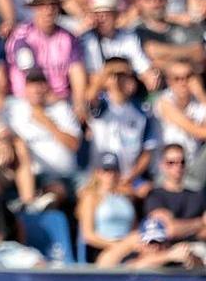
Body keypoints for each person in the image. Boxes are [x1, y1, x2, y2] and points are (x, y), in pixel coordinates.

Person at [5, 0, 88, 120]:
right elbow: (30, 72)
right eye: (43, 6)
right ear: (34, 8)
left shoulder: (69, 38)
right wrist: (47, 95)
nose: (48, 10)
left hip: (60, 102)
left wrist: (79, 103)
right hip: (26, 102)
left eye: (53, 5)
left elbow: (77, 71)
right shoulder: (21, 35)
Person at [3, 68, 83, 202]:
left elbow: (74, 145)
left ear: (47, 86)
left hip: (70, 174)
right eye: (32, 84)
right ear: (25, 88)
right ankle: (36, 202)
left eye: (41, 84)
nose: (37, 89)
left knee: (93, 190)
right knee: (57, 190)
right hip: (38, 177)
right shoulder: (14, 109)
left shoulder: (61, 109)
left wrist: (47, 123)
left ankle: (42, 202)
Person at [88, 58, 160, 189]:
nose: (124, 80)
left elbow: (147, 151)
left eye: (128, 76)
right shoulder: (100, 104)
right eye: (119, 76)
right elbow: (87, 100)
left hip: (129, 179)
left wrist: (129, 178)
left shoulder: (143, 111)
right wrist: (109, 71)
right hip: (99, 178)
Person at [153, 61, 206, 190]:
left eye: (188, 77)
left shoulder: (198, 103)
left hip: (193, 166)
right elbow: (198, 132)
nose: (183, 82)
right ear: (169, 81)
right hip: (168, 170)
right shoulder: (164, 101)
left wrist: (201, 95)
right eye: (177, 78)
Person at [77, 153, 137, 262]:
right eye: (106, 171)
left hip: (127, 248)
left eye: (114, 171)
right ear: (98, 173)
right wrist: (117, 246)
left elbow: (133, 228)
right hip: (102, 249)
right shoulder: (90, 197)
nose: (111, 175)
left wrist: (126, 246)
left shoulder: (127, 198)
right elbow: (88, 235)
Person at [144, 144, 206, 226]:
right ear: (162, 165)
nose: (178, 166)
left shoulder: (197, 195)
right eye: (171, 162)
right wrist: (200, 222)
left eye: (182, 162)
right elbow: (167, 228)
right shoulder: (155, 195)